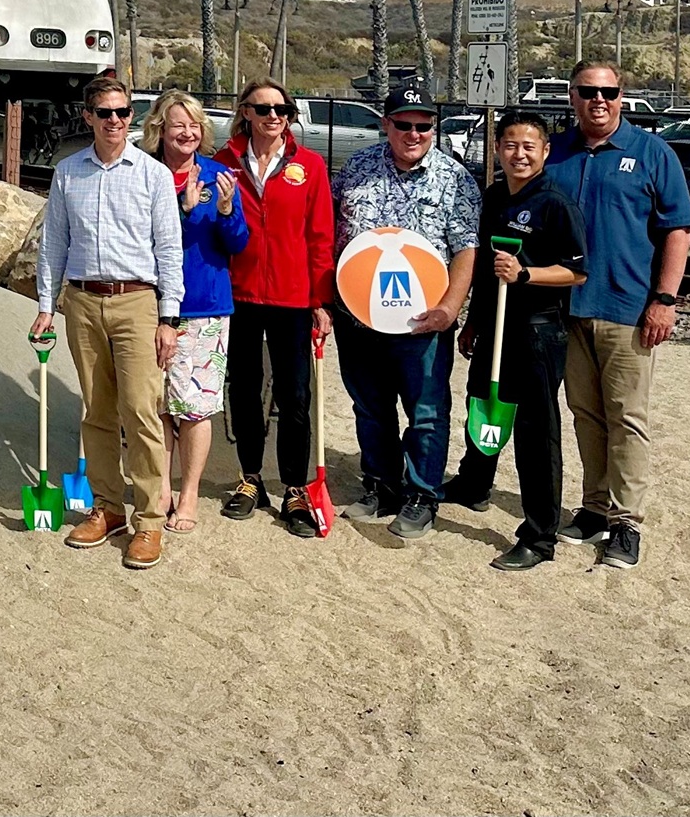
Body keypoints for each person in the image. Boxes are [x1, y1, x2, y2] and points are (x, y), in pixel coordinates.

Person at [541, 59, 690, 569]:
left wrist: (664, 300)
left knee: (627, 418)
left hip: (627, 309)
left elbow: (678, 230)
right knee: (586, 414)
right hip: (567, 311)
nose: (598, 100)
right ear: (572, 96)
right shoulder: (556, 152)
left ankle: (626, 523)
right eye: (587, 91)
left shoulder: (652, 153)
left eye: (608, 92)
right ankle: (594, 509)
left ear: (621, 96)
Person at [32, 72, 184, 570]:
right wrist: (45, 304)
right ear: (88, 117)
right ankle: (107, 507)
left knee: (140, 411)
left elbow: (169, 249)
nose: (115, 121)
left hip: (137, 302)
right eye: (105, 113)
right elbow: (54, 242)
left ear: (131, 116)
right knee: (97, 411)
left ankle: (149, 520)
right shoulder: (67, 173)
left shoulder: (152, 175)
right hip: (81, 301)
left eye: (122, 112)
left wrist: (169, 317)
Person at [329, 93, 481, 540]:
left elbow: (466, 249)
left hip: (423, 322)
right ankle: (382, 485)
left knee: (427, 412)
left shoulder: (454, 178)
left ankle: (421, 495)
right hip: (358, 319)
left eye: (423, 126)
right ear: (386, 125)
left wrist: (450, 307)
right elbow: (330, 234)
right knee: (370, 408)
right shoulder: (356, 169)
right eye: (403, 125)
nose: (414, 134)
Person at [439, 111, 584, 570]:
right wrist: (474, 322)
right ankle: (474, 484)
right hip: (494, 324)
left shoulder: (556, 204)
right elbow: (485, 270)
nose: (519, 155)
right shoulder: (495, 196)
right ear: (498, 149)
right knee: (482, 402)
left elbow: (577, 272)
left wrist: (525, 274)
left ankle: (539, 537)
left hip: (537, 332)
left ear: (544, 151)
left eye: (529, 146)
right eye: (510, 145)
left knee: (535, 433)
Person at [213, 81, 335, 537]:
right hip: (240, 295)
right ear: (246, 111)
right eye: (264, 108)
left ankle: (294, 487)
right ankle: (250, 478)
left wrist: (321, 301)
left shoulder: (310, 166)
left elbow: (320, 236)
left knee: (295, 395)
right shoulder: (223, 162)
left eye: (282, 109)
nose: (274, 116)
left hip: (293, 298)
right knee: (245, 391)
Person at [149, 91, 247, 535]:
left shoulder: (218, 175)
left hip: (203, 305)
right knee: (156, 406)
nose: (187, 133)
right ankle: (161, 489)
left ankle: (188, 494)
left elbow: (238, 243)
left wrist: (224, 211)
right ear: (160, 129)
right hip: (148, 303)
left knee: (194, 406)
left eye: (194, 125)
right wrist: (183, 210)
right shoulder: (145, 173)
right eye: (178, 125)